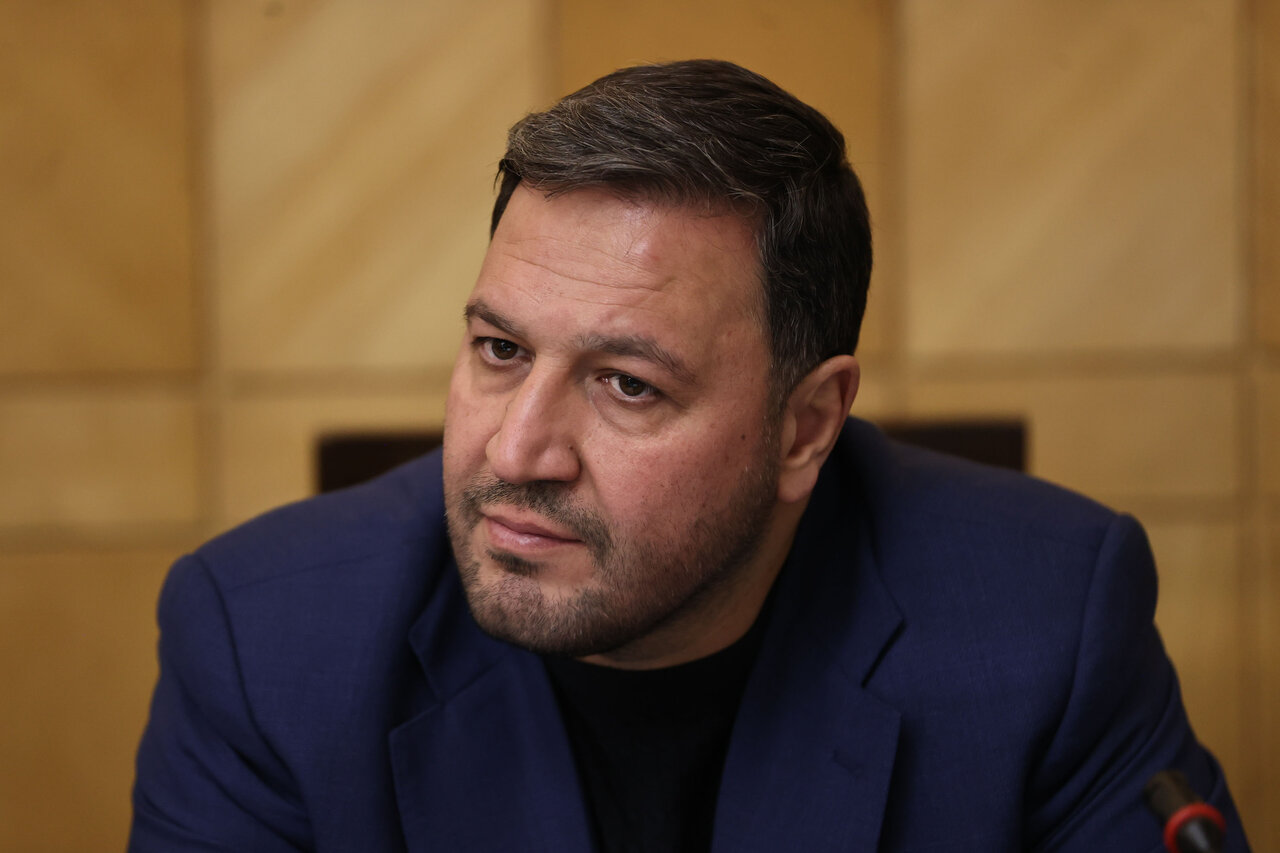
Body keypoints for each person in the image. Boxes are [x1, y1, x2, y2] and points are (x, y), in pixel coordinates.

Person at [130, 59, 1249, 852]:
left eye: (627, 383)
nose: (516, 447)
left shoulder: (1045, 623)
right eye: (500, 350)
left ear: (806, 425)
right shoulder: (265, 644)